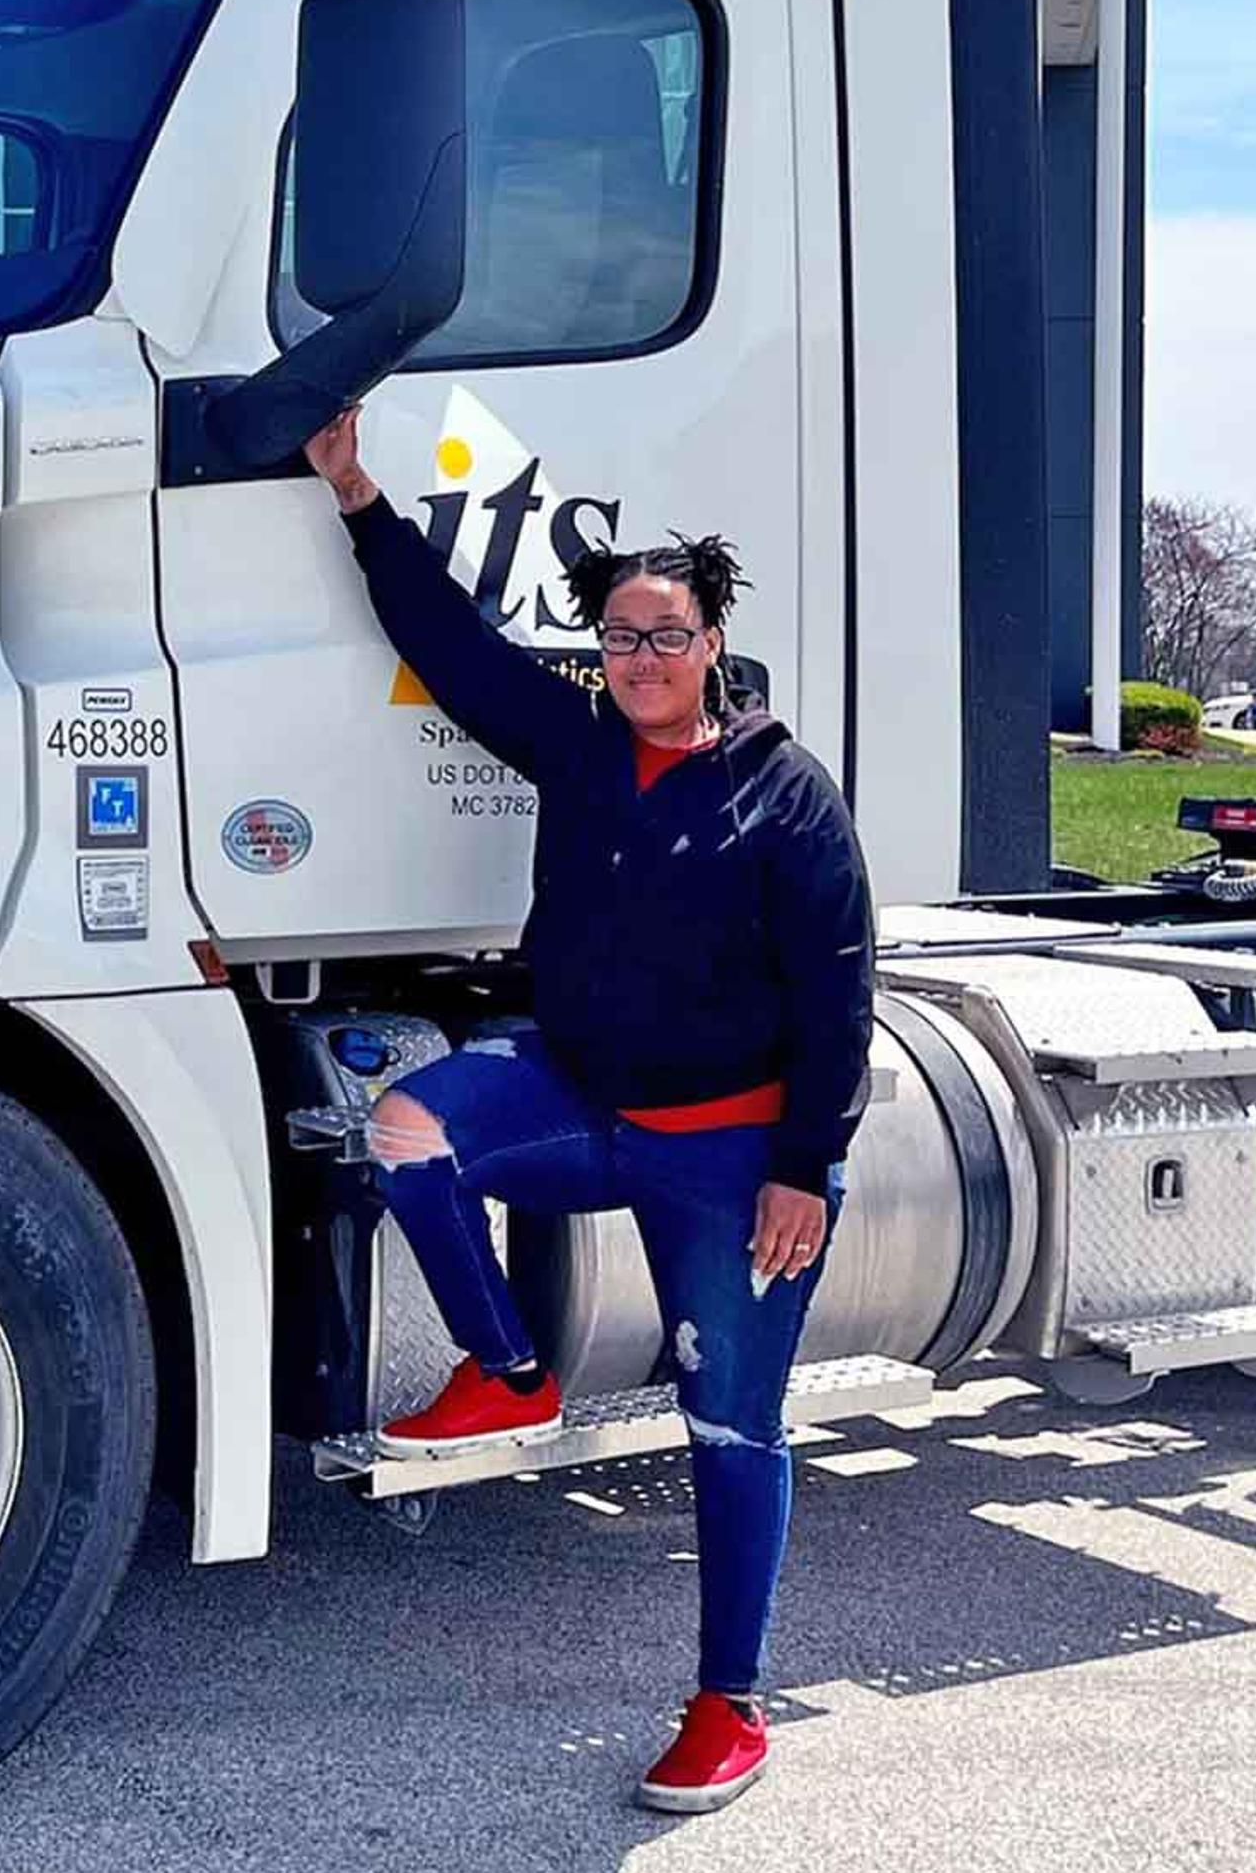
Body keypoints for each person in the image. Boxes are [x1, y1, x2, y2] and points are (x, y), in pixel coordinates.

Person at [304, 405, 876, 1816]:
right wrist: (358, 494)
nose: (641, 659)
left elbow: (841, 990)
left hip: (732, 1154)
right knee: (409, 1130)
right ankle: (509, 1368)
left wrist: (805, 1166)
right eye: (620, 636)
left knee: (729, 1426)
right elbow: (453, 649)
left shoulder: (785, 795)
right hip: (586, 1104)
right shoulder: (577, 745)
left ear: (713, 643)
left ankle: (730, 1705)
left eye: (665, 635)